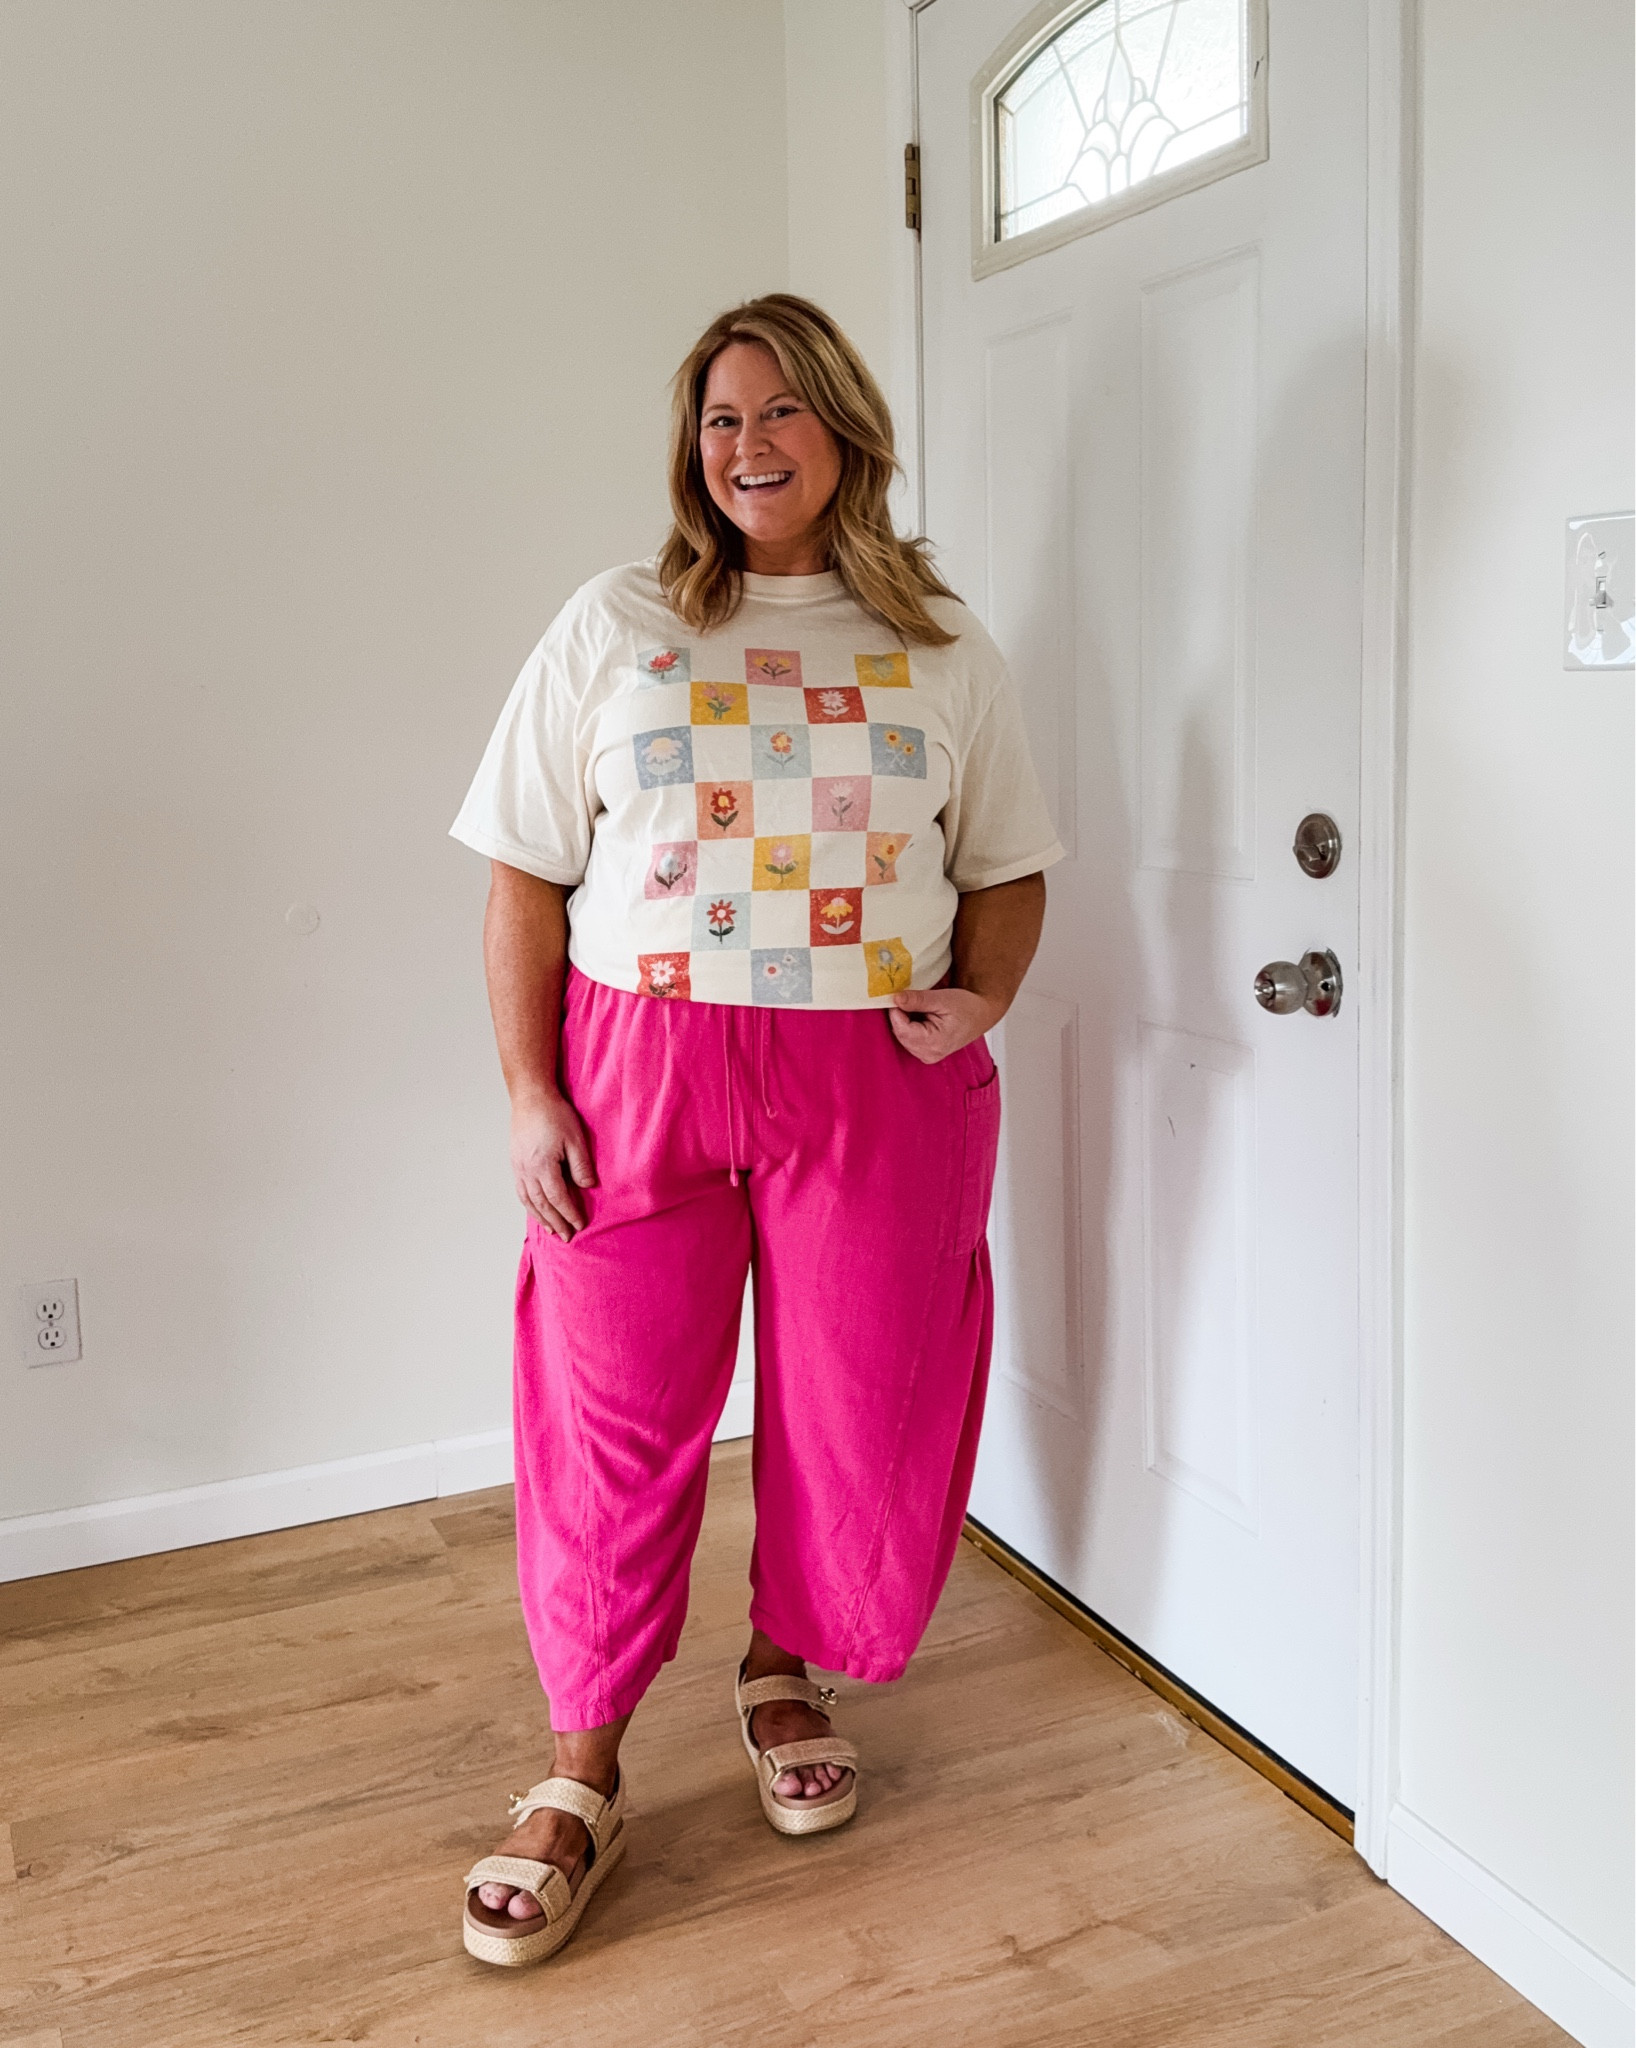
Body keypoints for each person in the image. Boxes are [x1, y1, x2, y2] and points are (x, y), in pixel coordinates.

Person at [449, 294, 1063, 1967]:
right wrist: (528, 1091)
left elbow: (1007, 862)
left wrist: (985, 993)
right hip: (638, 1070)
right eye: (721, 419)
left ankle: (780, 1660)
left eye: (782, 412)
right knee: (612, 1415)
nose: (748, 445)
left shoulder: (940, 642)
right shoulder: (616, 620)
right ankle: (581, 1766)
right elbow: (522, 867)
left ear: (847, 431)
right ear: (691, 447)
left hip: (874, 1080)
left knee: (858, 1394)